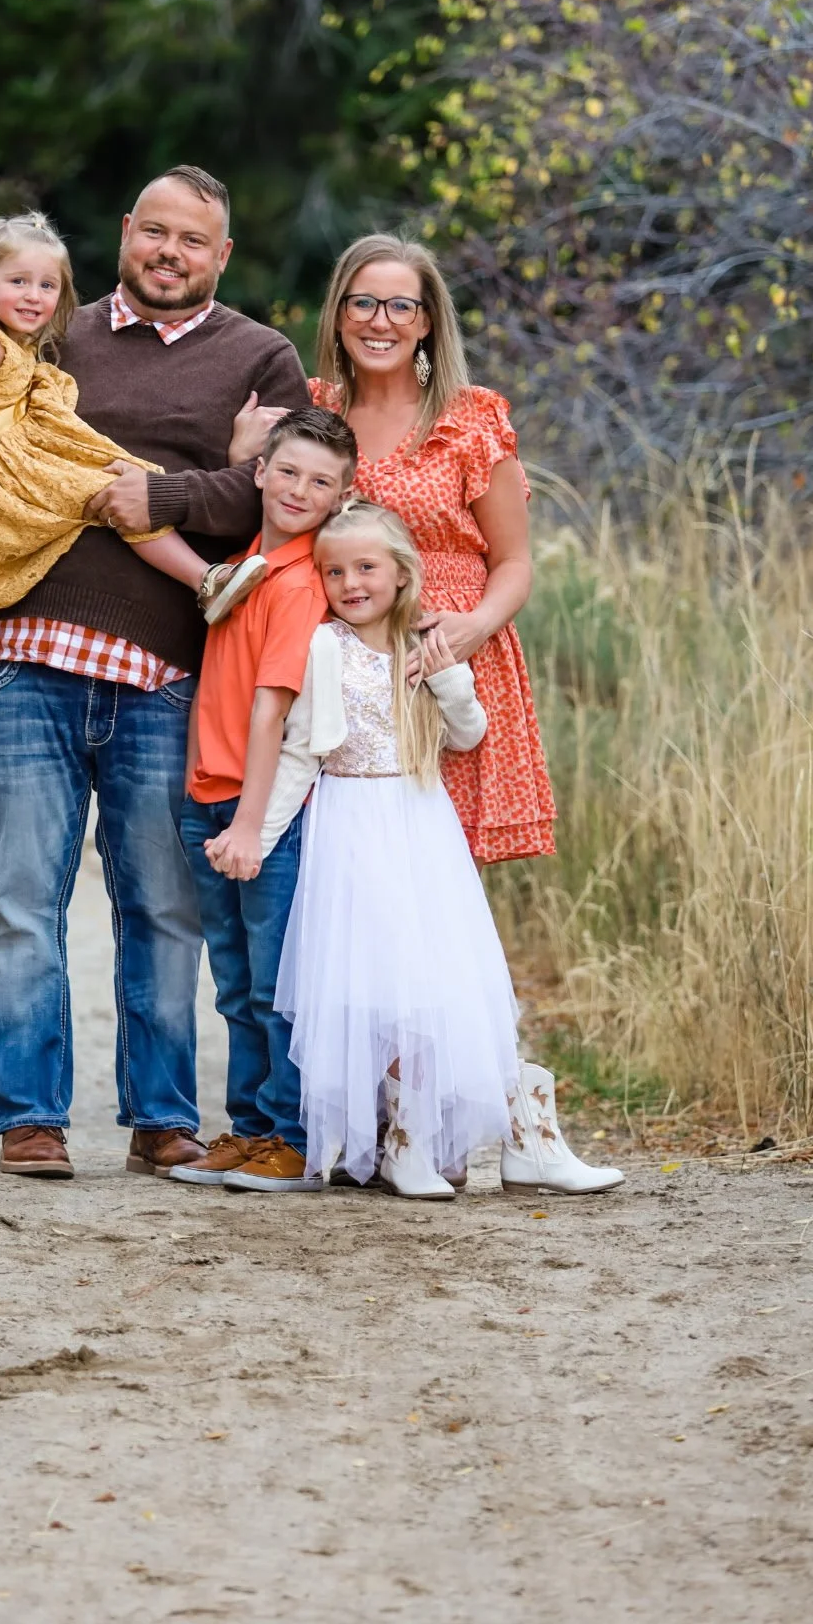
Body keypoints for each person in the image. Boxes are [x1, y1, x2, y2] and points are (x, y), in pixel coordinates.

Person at [232, 231, 622, 1195]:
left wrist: (465, 634)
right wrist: (243, 455)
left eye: (401, 306)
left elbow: (515, 561)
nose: (380, 322)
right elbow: (281, 513)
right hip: (346, 679)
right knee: (365, 906)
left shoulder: (470, 420)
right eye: (363, 303)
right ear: (337, 315)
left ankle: (507, 1115)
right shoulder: (312, 415)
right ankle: (390, 1125)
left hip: (446, 663)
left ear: (428, 323)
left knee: (442, 910)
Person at [0, 167, 310, 1179]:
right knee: (22, 899)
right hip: (25, 658)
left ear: (222, 254)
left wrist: (163, 491)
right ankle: (31, 1116)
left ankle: (161, 1115)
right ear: (124, 233)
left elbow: (282, 490)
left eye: (192, 240)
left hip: (168, 674)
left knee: (164, 902)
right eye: (153, 232)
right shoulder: (49, 328)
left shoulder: (261, 356)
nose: (170, 251)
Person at [271, 500, 518, 1200]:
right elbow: (300, 751)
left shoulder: (424, 642)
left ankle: (418, 1140)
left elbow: (467, 734)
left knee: (427, 978)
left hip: (418, 821)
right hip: (347, 822)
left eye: (365, 567)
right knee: (366, 980)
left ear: (400, 572)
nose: (350, 583)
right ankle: (379, 1139)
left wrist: (444, 673)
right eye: (334, 571)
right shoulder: (324, 645)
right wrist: (257, 838)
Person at [0, 213, 266, 626]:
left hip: (15, 453)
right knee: (116, 493)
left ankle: (204, 579)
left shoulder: (4, 341)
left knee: (122, 484)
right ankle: (204, 580)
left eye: (47, 285)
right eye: (18, 282)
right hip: (0, 464)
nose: (34, 296)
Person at [168, 406, 360, 1195]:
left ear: (340, 498)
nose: (297, 490)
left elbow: (273, 708)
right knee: (235, 983)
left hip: (259, 817)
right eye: (286, 471)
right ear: (259, 472)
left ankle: (291, 1136)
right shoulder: (247, 564)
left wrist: (249, 822)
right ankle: (248, 1131)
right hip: (207, 797)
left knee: (276, 986)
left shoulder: (301, 583)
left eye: (319, 482)